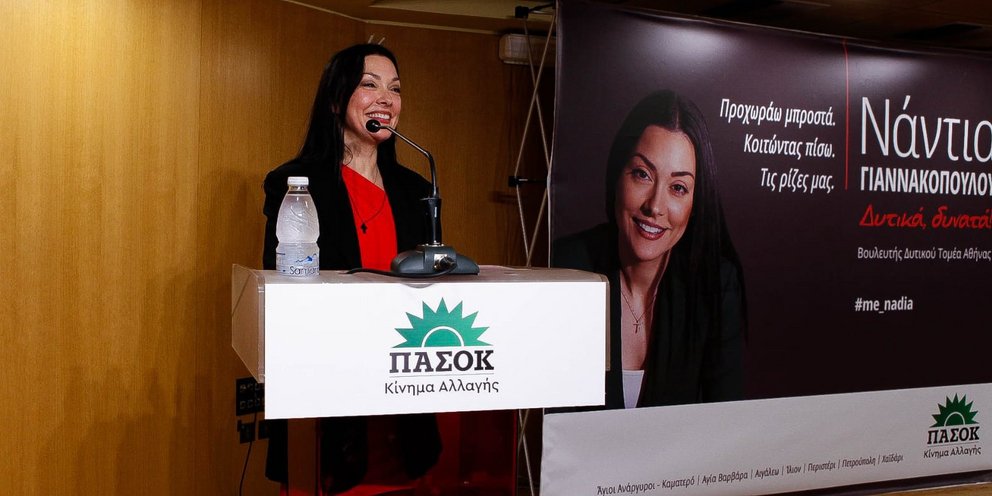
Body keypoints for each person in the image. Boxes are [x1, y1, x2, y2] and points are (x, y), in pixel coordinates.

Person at [262, 43, 440, 494]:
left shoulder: (417, 190)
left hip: (403, 390)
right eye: (370, 85)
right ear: (336, 100)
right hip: (329, 395)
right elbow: (282, 290)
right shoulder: (296, 185)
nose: (386, 99)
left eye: (395, 89)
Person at [552, 90, 746, 409]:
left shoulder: (714, 285)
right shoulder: (565, 268)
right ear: (618, 176)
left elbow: (728, 419)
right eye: (642, 174)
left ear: (695, 204)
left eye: (678, 188)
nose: (655, 206)